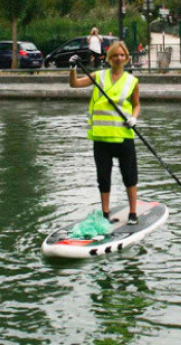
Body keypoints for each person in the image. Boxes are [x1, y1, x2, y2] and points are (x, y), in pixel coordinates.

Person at [69, 41, 141, 225]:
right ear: (109, 58)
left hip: (124, 136)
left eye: (121, 55)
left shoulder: (132, 81)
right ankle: (105, 214)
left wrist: (134, 118)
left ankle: (133, 213)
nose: (118, 58)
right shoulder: (98, 76)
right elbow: (74, 84)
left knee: (130, 177)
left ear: (126, 58)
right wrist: (72, 68)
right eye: (115, 55)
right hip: (101, 138)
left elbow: (137, 104)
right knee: (103, 178)